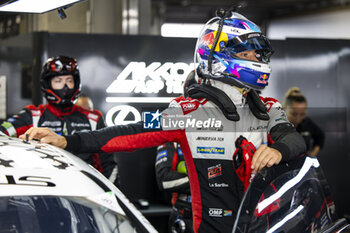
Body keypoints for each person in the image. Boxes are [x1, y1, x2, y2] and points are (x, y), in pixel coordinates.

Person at [20, 10, 306, 233]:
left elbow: (294, 140)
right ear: (216, 55)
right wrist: (68, 141)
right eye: (248, 53)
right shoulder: (187, 111)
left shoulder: (268, 107)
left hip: (264, 225)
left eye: (258, 53)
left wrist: (279, 150)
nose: (257, 58)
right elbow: (129, 133)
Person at [0, 56, 118, 184]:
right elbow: (2, 133)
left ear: (76, 83)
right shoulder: (32, 115)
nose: (65, 86)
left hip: (85, 187)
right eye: (58, 80)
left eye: (69, 80)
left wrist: (109, 194)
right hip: (44, 185)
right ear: (47, 83)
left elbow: (108, 165)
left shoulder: (93, 119)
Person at [155, 142, 193, 233]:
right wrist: (202, 182)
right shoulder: (171, 141)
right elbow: (164, 180)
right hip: (186, 211)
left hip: (217, 210)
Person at [283, 87, 325, 156]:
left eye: (302, 114)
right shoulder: (276, 124)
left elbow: (320, 136)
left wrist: (314, 153)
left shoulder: (307, 123)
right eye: (294, 114)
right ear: (284, 108)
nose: (298, 119)